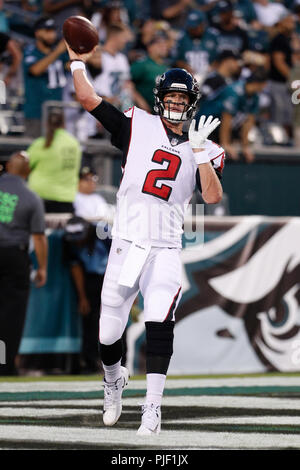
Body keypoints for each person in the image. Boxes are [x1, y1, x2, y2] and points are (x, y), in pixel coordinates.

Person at [66, 38, 224, 435]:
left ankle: (152, 408)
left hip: (165, 248)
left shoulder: (203, 143)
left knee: (158, 319)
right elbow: (87, 98)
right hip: (125, 242)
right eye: (169, 96)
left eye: (181, 97)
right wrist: (76, 63)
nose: (174, 103)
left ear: (191, 103)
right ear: (158, 99)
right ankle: (113, 379)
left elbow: (212, 195)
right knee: (107, 334)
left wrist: (201, 153)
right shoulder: (136, 123)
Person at [0, 151, 47, 376]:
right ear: (27, 172)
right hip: (14, 256)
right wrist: (43, 268)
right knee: (12, 315)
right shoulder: (31, 198)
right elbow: (38, 237)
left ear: (8, 166)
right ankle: (4, 364)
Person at [64, 215, 111, 374]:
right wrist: (82, 297)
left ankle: (118, 361)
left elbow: (118, 260)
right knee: (89, 321)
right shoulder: (69, 241)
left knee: (113, 320)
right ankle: (91, 363)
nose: (77, 242)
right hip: (89, 279)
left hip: (109, 277)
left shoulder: (103, 232)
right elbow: (75, 266)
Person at [27, 108, 82, 213]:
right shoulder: (74, 143)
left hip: (40, 198)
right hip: (66, 200)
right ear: (64, 124)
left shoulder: (40, 144)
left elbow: (25, 167)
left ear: (46, 124)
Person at [22, 16, 68, 138]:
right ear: (37, 33)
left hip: (57, 111)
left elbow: (71, 66)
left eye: (53, 31)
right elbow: (35, 70)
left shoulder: (59, 53)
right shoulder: (30, 51)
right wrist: (57, 52)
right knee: (34, 148)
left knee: (57, 149)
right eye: (47, 31)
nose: (52, 35)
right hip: (36, 112)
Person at [219, 67, 268, 162]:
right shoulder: (235, 91)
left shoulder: (255, 97)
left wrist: (245, 146)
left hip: (224, 127)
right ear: (260, 83)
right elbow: (226, 118)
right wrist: (225, 143)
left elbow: (249, 122)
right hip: (207, 125)